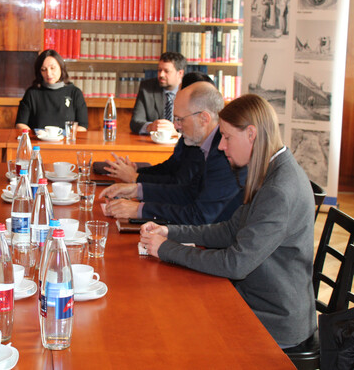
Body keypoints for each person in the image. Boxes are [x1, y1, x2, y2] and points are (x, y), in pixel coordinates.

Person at [140, 94, 316, 349]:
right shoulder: (271, 168)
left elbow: (235, 264)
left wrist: (166, 249)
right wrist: (170, 232)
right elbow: (232, 229)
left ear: (251, 134)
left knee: (177, 329)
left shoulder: (279, 189)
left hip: (275, 320)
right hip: (257, 299)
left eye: (227, 137)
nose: (221, 146)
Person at [100, 81, 246, 225]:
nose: (175, 126)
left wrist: (139, 209)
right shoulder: (208, 144)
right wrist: (137, 190)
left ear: (204, 119)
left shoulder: (225, 152)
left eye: (179, 119)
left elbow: (199, 216)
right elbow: (188, 192)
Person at [103, 72, 214, 183]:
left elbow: (178, 184)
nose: (176, 125)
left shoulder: (203, 142)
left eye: (179, 92)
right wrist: (137, 171)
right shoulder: (191, 135)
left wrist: (135, 178)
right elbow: (169, 167)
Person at [15, 49, 88, 131]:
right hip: (38, 141)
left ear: (61, 67)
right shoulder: (32, 93)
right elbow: (20, 123)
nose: (48, 73)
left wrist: (67, 138)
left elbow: (82, 126)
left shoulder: (75, 93)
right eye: (43, 69)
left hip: (66, 142)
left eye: (52, 68)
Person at [130, 51, 186, 135]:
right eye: (159, 70)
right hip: (154, 144)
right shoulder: (147, 88)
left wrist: (176, 133)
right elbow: (135, 122)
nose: (161, 75)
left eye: (166, 71)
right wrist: (150, 127)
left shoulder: (190, 90)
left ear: (180, 73)